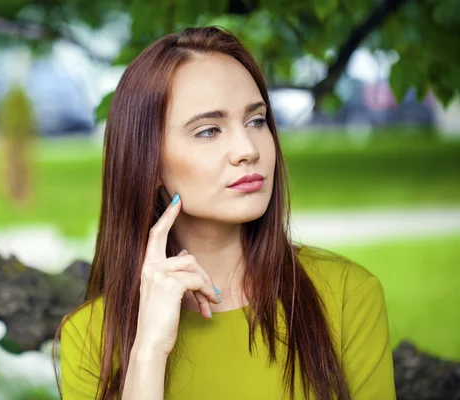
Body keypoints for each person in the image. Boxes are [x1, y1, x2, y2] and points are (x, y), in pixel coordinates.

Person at [54, 26, 396, 400]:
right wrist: (147, 353)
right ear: (147, 162)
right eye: (208, 131)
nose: (247, 148)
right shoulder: (89, 337)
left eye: (256, 121)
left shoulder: (347, 295)